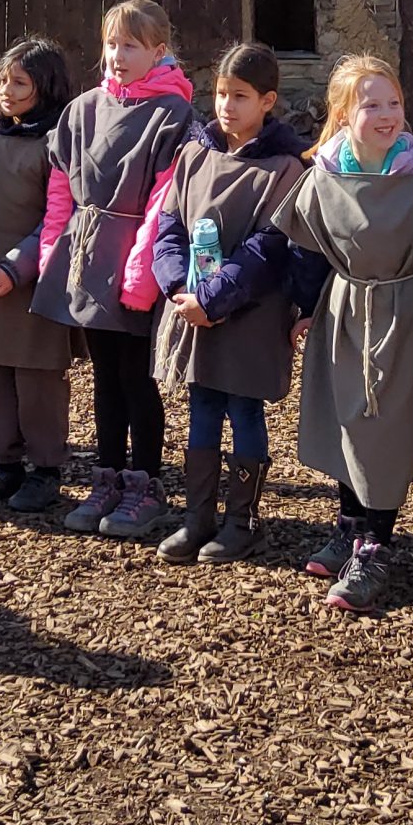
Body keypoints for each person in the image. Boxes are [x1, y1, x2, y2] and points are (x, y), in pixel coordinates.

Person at [278, 55, 413, 614]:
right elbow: (307, 253)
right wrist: (302, 309)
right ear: (344, 113)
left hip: (409, 316)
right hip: (344, 313)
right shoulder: (323, 176)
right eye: (372, 104)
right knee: (348, 423)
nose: (388, 114)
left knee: (387, 431)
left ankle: (375, 547)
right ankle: (350, 527)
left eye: (394, 102)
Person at [34, 0, 196, 540]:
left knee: (136, 378)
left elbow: (164, 203)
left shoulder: (172, 115)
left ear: (158, 50)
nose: (118, 55)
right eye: (111, 44)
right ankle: (106, 477)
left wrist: (140, 276)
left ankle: (145, 484)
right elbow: (60, 190)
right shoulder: (82, 109)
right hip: (86, 260)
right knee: (104, 376)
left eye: (131, 45)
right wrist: (52, 255)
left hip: (134, 264)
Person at [147, 42, 307, 563]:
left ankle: (243, 523)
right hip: (194, 309)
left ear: (267, 101)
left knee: (243, 410)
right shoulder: (194, 154)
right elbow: (169, 227)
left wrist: (213, 301)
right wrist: (177, 287)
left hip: (249, 315)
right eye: (220, 93)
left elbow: (267, 248)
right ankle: (197, 518)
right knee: (201, 407)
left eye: (240, 96)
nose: (226, 105)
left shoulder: (285, 168)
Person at [0, 38, 80, 514]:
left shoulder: (57, 146)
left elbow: (59, 217)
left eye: (19, 83)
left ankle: (46, 468)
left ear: (46, 88)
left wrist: (14, 267)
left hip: (35, 286)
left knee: (38, 381)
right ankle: (5, 463)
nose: (6, 90)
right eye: (2, 81)